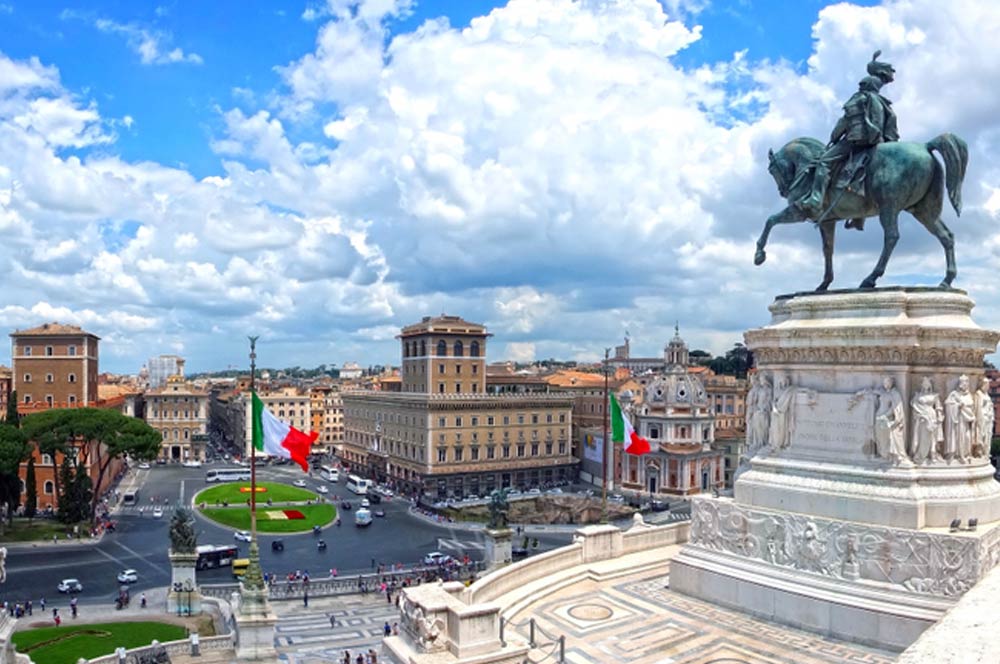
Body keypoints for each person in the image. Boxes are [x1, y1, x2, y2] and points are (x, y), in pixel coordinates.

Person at [797, 51, 898, 226]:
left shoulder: (859, 100)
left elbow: (843, 125)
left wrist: (834, 136)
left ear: (864, 86)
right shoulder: (883, 103)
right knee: (862, 175)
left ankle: (815, 198)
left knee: (823, 162)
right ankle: (858, 218)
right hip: (879, 142)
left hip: (857, 141)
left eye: (861, 85)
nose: (859, 87)